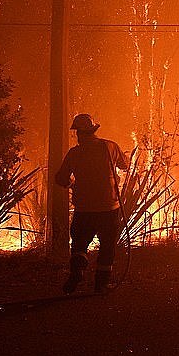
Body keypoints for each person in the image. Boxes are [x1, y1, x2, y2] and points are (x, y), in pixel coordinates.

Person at [55, 113, 130, 294]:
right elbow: (125, 165)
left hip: (84, 208)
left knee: (80, 243)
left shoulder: (74, 153)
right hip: (109, 207)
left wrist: (71, 184)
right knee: (107, 245)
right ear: (94, 130)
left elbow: (60, 178)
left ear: (78, 133)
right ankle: (101, 284)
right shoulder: (110, 146)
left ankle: (78, 270)